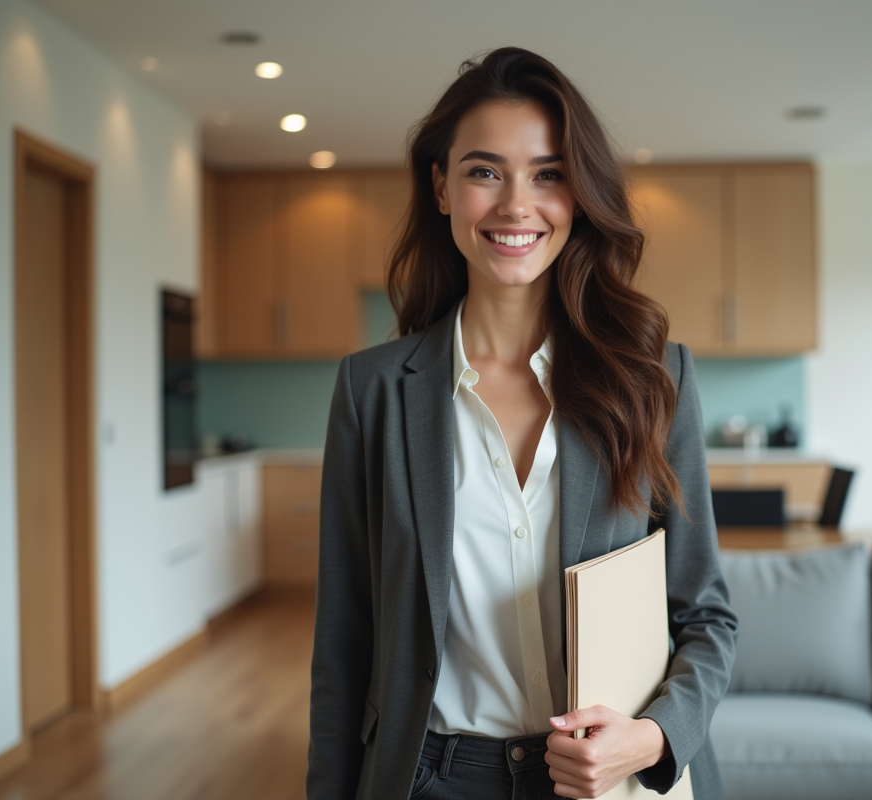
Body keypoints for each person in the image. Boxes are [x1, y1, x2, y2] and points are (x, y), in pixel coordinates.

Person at [307, 47, 737, 800]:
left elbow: (705, 615)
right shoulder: (371, 391)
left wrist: (654, 734)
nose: (515, 205)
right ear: (441, 187)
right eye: (483, 171)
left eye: (548, 173)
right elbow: (344, 648)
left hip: (609, 783)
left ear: (580, 193)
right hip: (432, 778)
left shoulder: (654, 380)